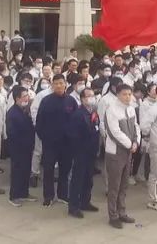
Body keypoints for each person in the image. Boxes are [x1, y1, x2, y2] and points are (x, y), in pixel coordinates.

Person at [35, 74, 74, 206]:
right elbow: (39, 122)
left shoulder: (71, 101)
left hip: (67, 143)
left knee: (65, 170)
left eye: (61, 83)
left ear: (65, 84)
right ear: (52, 85)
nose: (58, 86)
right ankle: (48, 196)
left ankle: (63, 194)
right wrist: (45, 138)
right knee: (48, 170)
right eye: (56, 83)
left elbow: (75, 120)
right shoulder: (46, 101)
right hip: (50, 143)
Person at [104, 84, 139, 229]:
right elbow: (115, 132)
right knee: (114, 186)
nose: (128, 97)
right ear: (118, 94)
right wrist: (130, 144)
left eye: (129, 94)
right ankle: (113, 216)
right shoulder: (112, 110)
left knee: (124, 184)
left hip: (128, 151)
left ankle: (122, 212)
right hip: (116, 152)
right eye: (124, 94)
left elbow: (136, 126)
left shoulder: (131, 108)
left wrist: (136, 141)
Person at [66, 87, 101, 218]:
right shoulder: (78, 114)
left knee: (88, 179)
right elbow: (73, 135)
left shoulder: (93, 112)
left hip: (91, 151)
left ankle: (85, 202)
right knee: (78, 179)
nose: (91, 98)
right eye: (88, 96)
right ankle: (74, 206)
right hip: (81, 152)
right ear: (82, 99)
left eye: (93, 96)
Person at [6, 86, 38, 206]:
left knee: (26, 170)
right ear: (17, 98)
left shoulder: (24, 110)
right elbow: (12, 133)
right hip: (18, 148)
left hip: (27, 147)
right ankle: (14, 196)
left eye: (27, 96)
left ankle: (24, 193)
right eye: (24, 96)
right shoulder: (12, 113)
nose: (27, 98)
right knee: (17, 171)